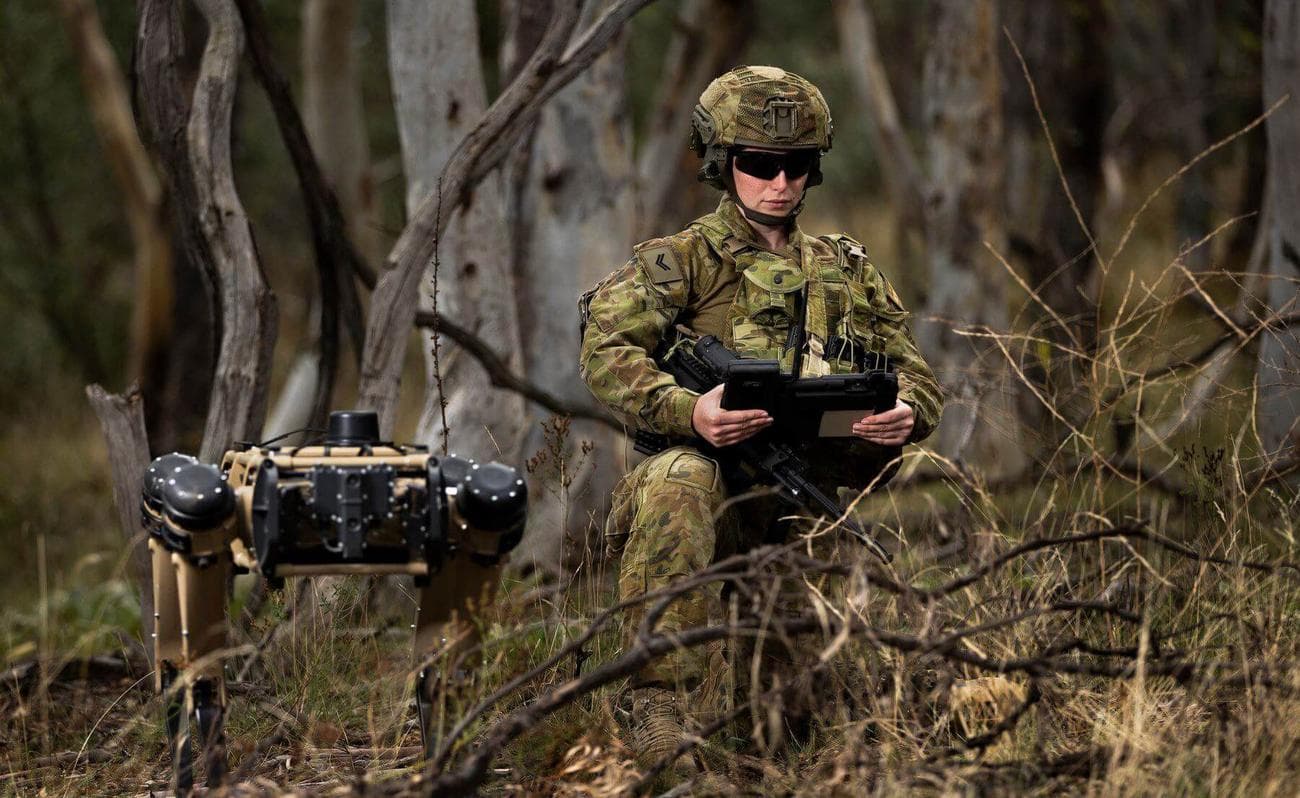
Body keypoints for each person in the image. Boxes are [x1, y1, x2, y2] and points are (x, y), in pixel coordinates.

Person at [578, 65, 943, 766]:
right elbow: (606, 351)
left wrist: (906, 411)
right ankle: (657, 704)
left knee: (791, 725)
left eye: (797, 165)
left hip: (795, 490)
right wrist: (688, 411)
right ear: (722, 163)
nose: (780, 182)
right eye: (759, 164)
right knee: (679, 476)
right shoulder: (678, 263)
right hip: (696, 490)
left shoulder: (848, 270)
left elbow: (915, 370)